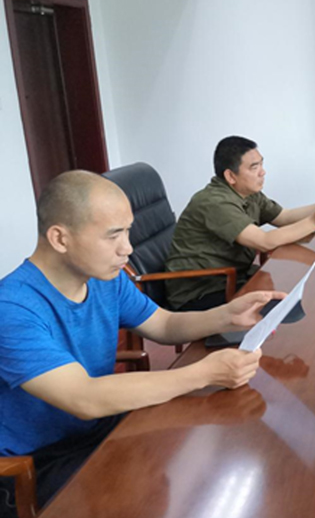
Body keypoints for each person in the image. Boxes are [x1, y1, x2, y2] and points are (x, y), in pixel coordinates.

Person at [0, 171, 283, 517]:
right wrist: (204, 373)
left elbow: (163, 323)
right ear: (60, 238)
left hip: (103, 425)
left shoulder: (105, 278)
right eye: (113, 235)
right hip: (38, 460)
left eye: (128, 231)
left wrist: (226, 315)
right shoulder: (12, 308)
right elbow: (83, 398)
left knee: (199, 455)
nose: (128, 248)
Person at [165, 136, 315, 311]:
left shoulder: (248, 193)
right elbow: (264, 241)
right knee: (292, 306)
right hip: (201, 291)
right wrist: (314, 221)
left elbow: (284, 217)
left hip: (233, 277)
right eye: (254, 167)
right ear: (231, 176)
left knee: (295, 296)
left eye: (261, 164)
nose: (263, 172)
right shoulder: (215, 202)